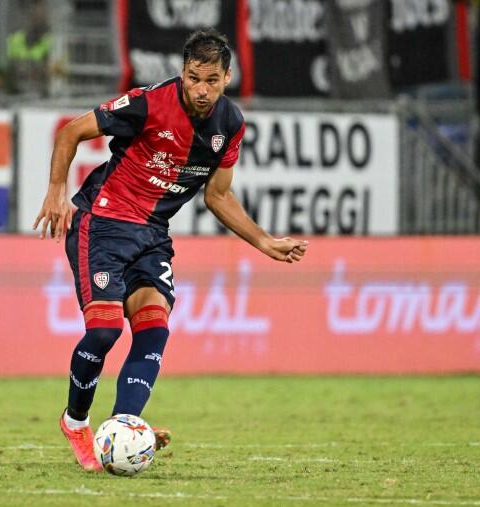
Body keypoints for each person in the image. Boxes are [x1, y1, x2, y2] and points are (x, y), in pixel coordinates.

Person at [33, 29, 309, 472]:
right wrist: (55, 192)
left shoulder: (230, 124)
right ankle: (75, 421)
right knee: (104, 332)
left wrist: (264, 241)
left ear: (227, 78)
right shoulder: (149, 103)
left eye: (212, 81)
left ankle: (125, 425)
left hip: (151, 235)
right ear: (183, 72)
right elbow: (71, 132)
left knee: (153, 328)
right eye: (194, 78)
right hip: (101, 223)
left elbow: (218, 195)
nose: (201, 90)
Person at [5, 0, 53, 95]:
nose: (36, 15)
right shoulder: (14, 39)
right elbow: (9, 71)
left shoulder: (52, 41)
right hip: (17, 93)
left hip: (43, 94)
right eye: (32, 11)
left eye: (40, 12)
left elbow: (53, 72)